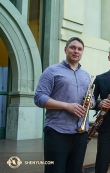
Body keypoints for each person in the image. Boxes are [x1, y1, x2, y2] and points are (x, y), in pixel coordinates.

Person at [34, 37, 95, 173]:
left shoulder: (85, 75)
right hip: (57, 131)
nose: (76, 51)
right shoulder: (52, 71)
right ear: (65, 49)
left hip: (80, 133)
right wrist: (67, 106)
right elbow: (39, 98)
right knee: (55, 170)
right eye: (72, 47)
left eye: (79, 49)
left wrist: (91, 102)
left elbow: (93, 98)